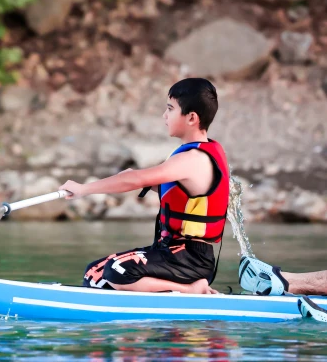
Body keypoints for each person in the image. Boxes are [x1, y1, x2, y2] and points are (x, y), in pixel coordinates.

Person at [60, 78, 229, 296]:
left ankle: (190, 290)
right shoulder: (192, 154)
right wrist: (132, 178)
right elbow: (156, 185)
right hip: (171, 252)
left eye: (170, 109)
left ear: (191, 118)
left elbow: (138, 180)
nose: (164, 116)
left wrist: (83, 189)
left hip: (189, 259)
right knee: (95, 274)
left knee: (117, 270)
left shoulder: (193, 158)